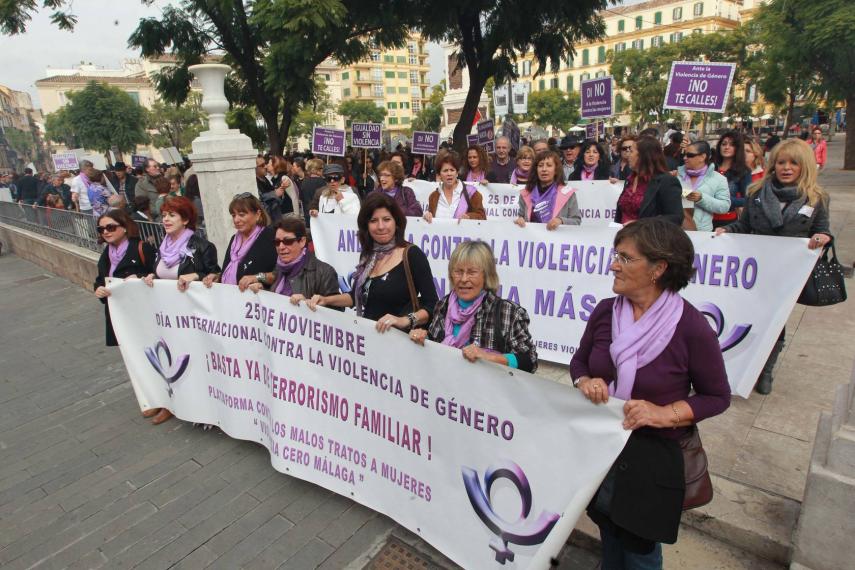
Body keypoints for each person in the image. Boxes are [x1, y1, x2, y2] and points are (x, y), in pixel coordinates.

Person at [570, 218, 731, 569]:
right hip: (603, 447)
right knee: (609, 534)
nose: (613, 264)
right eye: (616, 255)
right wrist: (585, 381)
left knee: (640, 552)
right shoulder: (604, 312)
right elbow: (580, 361)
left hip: (652, 460)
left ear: (658, 268)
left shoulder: (691, 328)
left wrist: (663, 413)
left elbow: (717, 396)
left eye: (626, 258)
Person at [715, 138, 832, 394]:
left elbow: (822, 230)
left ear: (805, 166)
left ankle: (766, 369)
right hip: (755, 272)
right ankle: (740, 364)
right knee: (749, 317)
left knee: (775, 322)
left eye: (793, 163)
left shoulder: (816, 199)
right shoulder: (757, 193)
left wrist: (823, 238)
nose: (786, 168)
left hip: (787, 275)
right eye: (781, 162)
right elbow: (743, 226)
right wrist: (726, 230)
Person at [304, 193, 438, 331]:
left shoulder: (412, 254)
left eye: (386, 219)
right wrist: (326, 300)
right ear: (366, 226)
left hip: (400, 344)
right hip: (369, 341)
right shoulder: (369, 255)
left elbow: (432, 305)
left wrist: (405, 320)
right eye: (374, 221)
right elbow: (355, 296)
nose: (381, 226)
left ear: (396, 222)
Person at [142, 196, 219, 425]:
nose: (165, 219)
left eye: (172, 215)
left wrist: (195, 276)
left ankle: (201, 406)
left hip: (191, 318)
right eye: (164, 215)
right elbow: (161, 273)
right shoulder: (162, 247)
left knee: (191, 360)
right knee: (169, 358)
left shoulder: (202, 246)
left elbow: (215, 274)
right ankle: (171, 403)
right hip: (166, 317)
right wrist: (151, 276)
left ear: (185, 220)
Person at [410, 240, 538, 372]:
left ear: (486, 276)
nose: (464, 279)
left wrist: (488, 357)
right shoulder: (443, 305)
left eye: (472, 272)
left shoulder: (509, 312)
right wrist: (423, 338)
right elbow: (435, 342)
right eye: (458, 272)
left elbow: (530, 360)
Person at [93, 209, 156, 347]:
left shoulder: (142, 248)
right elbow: (100, 279)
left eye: (110, 227)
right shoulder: (106, 254)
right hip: (118, 314)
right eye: (101, 229)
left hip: (142, 314)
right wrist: (99, 289)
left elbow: (158, 275)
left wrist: (139, 277)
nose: (105, 232)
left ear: (125, 227)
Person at [246, 217, 341, 304]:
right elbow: (275, 290)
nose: (281, 247)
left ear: (302, 242)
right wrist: (262, 291)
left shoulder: (324, 272)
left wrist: (307, 305)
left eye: (288, 241)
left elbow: (336, 314)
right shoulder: (280, 267)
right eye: (277, 242)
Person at [202, 193, 277, 290]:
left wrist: (257, 277)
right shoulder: (234, 239)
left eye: (241, 215)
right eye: (233, 215)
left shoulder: (270, 237)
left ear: (258, 214)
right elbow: (233, 270)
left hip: (257, 301)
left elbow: (280, 274)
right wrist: (218, 277)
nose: (236, 220)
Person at [615, 136, 683, 226]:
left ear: (643, 156)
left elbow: (675, 217)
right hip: (625, 236)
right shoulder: (630, 179)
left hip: (648, 237)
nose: (628, 155)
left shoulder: (666, 181)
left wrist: (641, 224)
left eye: (631, 151)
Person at [515, 150, 581, 229]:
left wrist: (561, 221)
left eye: (549, 165)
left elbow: (576, 221)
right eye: (540, 165)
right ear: (536, 169)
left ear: (556, 170)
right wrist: (520, 220)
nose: (544, 169)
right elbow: (520, 217)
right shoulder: (526, 193)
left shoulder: (567, 193)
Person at [677, 141, 730, 232]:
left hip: (702, 233)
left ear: (702, 157)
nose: (685, 158)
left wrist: (701, 198)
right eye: (684, 155)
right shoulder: (676, 175)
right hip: (676, 230)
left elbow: (724, 206)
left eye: (690, 155)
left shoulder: (719, 179)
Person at [424, 152, 486, 222]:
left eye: (452, 170)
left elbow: (482, 217)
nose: (449, 174)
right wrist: (427, 217)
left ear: (457, 173)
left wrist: (469, 217)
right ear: (439, 175)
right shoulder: (433, 196)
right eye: (445, 171)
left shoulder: (472, 193)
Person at [711, 131, 751, 229]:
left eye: (732, 144)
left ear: (737, 148)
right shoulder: (710, 166)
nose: (727, 147)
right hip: (704, 218)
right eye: (724, 144)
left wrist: (725, 200)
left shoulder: (743, 171)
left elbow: (748, 199)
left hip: (727, 222)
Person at [263, 155, 300, 221]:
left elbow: (294, 197)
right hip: (281, 214)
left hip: (289, 214)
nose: (267, 165)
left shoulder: (284, 178)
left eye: (269, 163)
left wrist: (296, 216)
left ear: (275, 165)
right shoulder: (274, 179)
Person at [300, 158, 326, 225]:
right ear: (316, 169)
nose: (323, 170)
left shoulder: (304, 181)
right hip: (320, 215)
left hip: (308, 214)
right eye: (322, 168)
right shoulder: (323, 182)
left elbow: (301, 197)